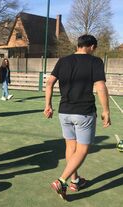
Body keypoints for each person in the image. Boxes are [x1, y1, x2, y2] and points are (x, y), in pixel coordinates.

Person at [44, 34, 111, 200]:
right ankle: (61, 180)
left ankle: (75, 181)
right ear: (92, 47)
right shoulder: (95, 61)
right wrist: (106, 110)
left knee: (71, 148)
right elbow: (101, 86)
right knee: (82, 150)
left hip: (64, 112)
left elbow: (49, 82)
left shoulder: (63, 61)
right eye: (94, 48)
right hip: (84, 112)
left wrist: (48, 105)